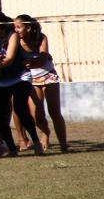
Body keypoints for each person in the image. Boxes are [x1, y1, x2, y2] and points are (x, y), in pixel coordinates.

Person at [0, 7, 44, 156]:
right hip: (1, 79)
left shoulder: (12, 35)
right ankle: (12, 149)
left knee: (20, 108)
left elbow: (9, 59)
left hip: (20, 76)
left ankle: (36, 142)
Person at [14, 14, 69, 153]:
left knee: (54, 111)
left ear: (28, 27)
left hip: (48, 75)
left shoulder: (41, 38)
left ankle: (63, 145)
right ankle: (45, 133)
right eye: (14, 27)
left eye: (19, 27)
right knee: (36, 115)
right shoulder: (16, 41)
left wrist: (27, 63)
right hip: (32, 79)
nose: (16, 30)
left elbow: (43, 59)